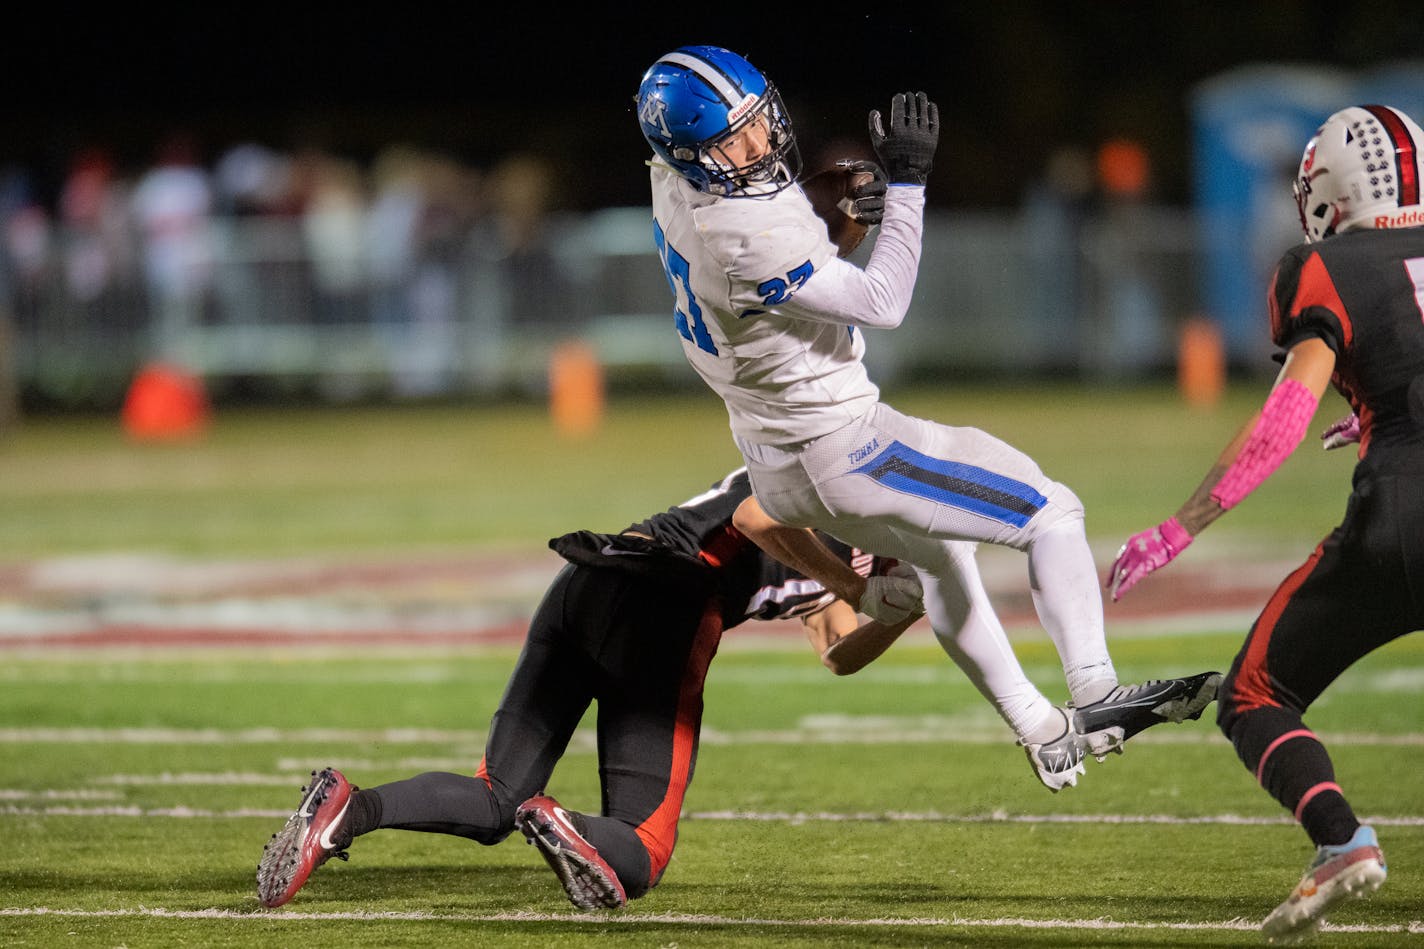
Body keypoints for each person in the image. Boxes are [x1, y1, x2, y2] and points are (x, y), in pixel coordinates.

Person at [633, 44, 1220, 792]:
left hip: (778, 467)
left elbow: (776, 244)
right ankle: (1098, 694)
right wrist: (908, 186)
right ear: (692, 156)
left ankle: (1041, 728)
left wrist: (824, 212)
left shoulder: (673, 185)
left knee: (945, 558)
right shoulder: (739, 231)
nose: (754, 145)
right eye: (728, 141)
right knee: (1052, 511)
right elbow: (884, 302)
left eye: (754, 123)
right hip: (846, 447)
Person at [256, 467, 927, 912]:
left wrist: (896, 616)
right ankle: (562, 822)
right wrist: (861, 586)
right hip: (666, 603)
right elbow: (756, 516)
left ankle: (350, 808)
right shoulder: (832, 475)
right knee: (642, 854)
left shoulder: (858, 541)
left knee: (496, 797)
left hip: (592, 580)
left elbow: (837, 652)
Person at [1105, 103, 1424, 942]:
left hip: (1407, 516)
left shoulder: (1323, 265)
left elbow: (1284, 420)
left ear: (1329, 187)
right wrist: (1386, 403)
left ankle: (1340, 839)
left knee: (1253, 690)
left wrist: (1178, 528)